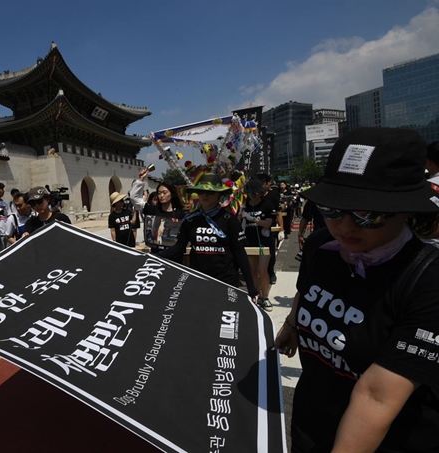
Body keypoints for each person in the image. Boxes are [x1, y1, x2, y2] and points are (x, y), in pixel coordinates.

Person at [274, 128, 439, 452]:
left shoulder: (429, 280)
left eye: (368, 214)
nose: (345, 226)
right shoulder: (323, 245)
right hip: (312, 419)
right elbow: (307, 289)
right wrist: (293, 324)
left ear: (408, 209)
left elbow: (377, 395)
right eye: (332, 209)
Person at [157, 174, 259, 299]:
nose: (205, 195)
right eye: (201, 191)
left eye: (210, 192)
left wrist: (251, 287)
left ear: (219, 195)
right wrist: (155, 256)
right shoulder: (190, 219)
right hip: (198, 279)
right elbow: (179, 247)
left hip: (226, 281)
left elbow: (239, 253)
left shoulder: (229, 219)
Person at [129, 168, 186, 259]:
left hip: (175, 259)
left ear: (172, 194)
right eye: (159, 193)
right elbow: (134, 198)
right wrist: (140, 180)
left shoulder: (180, 214)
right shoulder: (153, 210)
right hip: (156, 257)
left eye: (164, 192)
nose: (161, 196)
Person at [239, 178, 276, 311]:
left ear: (260, 192)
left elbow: (268, 223)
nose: (253, 195)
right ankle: (257, 295)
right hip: (249, 241)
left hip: (264, 241)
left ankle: (265, 297)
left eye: (255, 193)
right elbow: (238, 223)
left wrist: (253, 219)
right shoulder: (245, 205)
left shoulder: (267, 204)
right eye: (250, 193)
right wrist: (241, 212)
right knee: (252, 270)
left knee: (262, 270)